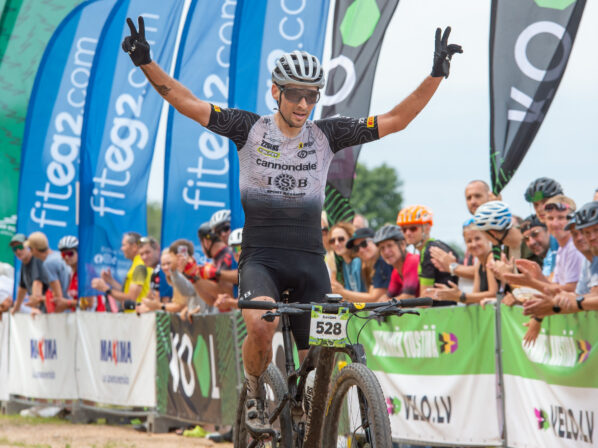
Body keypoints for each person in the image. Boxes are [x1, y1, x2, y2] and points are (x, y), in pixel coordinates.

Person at [122, 17, 462, 436]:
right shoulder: (248, 128)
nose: (303, 104)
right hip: (261, 260)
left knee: (322, 359)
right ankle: (254, 390)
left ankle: (308, 410)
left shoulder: (327, 134)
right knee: (260, 326)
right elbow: (187, 103)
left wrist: (435, 75)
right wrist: (146, 63)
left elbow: (395, 120)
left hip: (309, 263)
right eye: (296, 94)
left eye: (312, 96)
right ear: (276, 92)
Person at [397, 205, 459, 299]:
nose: (408, 233)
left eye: (413, 228)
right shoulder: (437, 245)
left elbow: (425, 299)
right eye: (404, 229)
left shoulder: (429, 252)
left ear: (427, 227)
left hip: (442, 306)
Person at [426, 223, 497, 304]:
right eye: (469, 241)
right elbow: (474, 298)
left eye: (477, 239)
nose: (474, 244)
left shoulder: (491, 258)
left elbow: (493, 294)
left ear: (488, 238)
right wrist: (451, 295)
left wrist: (460, 296)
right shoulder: (479, 264)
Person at [91, 231, 152, 311]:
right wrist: (111, 281)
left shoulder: (139, 266)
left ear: (134, 247)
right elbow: (127, 292)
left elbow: (131, 298)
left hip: (136, 315)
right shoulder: (136, 264)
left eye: (124, 245)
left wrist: (105, 289)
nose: (121, 248)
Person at [332, 227, 393, 302]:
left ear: (375, 241)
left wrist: (341, 292)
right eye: (356, 248)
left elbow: (374, 299)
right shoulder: (375, 264)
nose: (360, 250)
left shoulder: (382, 261)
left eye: (364, 244)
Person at [24, 231, 71, 313]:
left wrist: (38, 300)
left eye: (30, 249)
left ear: (34, 249)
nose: (30, 252)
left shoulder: (49, 263)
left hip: (65, 313)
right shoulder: (57, 256)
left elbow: (58, 298)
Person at [373, 225, 419, 299]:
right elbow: (388, 297)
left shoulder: (412, 260)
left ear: (402, 245)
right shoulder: (396, 272)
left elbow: (408, 297)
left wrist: (385, 302)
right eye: (382, 248)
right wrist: (383, 300)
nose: (386, 252)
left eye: (390, 245)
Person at [10, 234, 48, 314]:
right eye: (15, 249)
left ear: (28, 247)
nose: (18, 251)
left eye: (20, 247)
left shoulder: (36, 259)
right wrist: (17, 307)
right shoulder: (24, 263)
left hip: (47, 308)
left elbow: (37, 283)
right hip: (41, 308)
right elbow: (22, 288)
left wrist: (34, 307)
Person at [327, 222, 365, 293]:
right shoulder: (345, 264)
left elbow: (360, 294)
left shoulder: (357, 261)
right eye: (332, 241)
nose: (336, 243)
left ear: (350, 239)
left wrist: (341, 291)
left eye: (341, 239)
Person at [214, 228, 244, 312]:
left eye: (240, 248)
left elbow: (256, 303)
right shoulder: (243, 270)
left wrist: (230, 302)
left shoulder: (256, 269)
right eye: (234, 249)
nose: (238, 252)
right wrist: (229, 300)